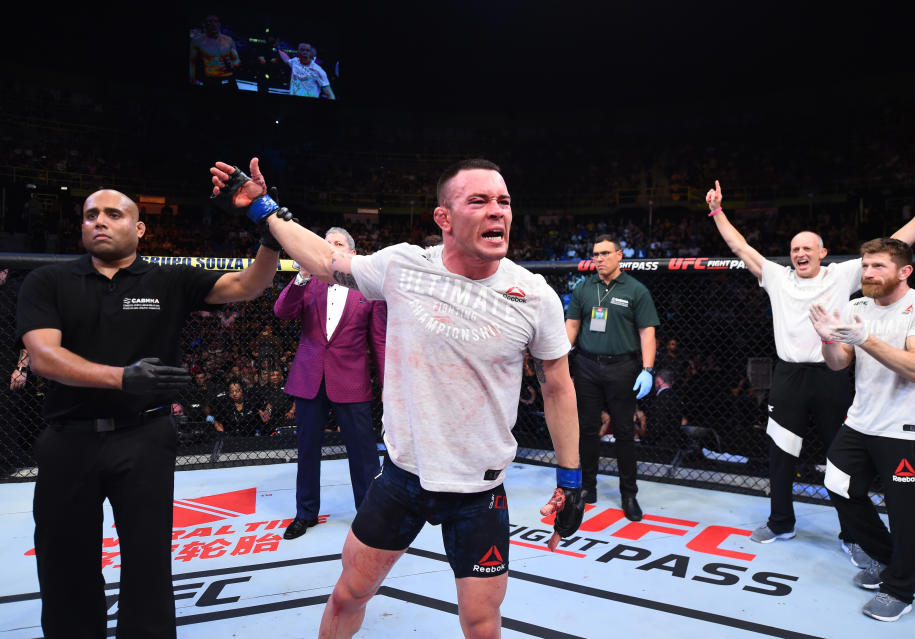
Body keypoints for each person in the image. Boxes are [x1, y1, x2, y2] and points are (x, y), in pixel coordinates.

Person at [209, 157, 583, 639]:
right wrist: (262, 206)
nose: (497, 212)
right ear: (443, 218)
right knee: (348, 595)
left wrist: (571, 479)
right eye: (479, 201)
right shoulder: (404, 265)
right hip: (403, 479)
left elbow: (558, 385)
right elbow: (324, 259)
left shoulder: (534, 295)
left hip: (479, 491)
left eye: (504, 202)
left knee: (482, 622)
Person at [15, 173, 281, 638]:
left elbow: (248, 285)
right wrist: (123, 377)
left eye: (113, 214)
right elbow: (43, 357)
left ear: (139, 229)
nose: (99, 222)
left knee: (148, 560)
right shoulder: (48, 280)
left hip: (144, 437)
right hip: (68, 439)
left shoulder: (169, 277)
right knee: (64, 563)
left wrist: (267, 227)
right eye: (90, 215)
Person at [705, 174, 915, 559]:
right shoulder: (776, 277)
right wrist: (717, 210)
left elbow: (897, 245)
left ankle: (852, 535)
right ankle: (780, 522)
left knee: (842, 460)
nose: (799, 253)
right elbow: (741, 247)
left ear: (823, 253)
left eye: (807, 247)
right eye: (794, 248)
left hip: (833, 371)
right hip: (788, 374)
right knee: (780, 452)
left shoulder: (844, 274)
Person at [810, 237, 915, 622]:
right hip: (860, 421)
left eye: (878, 267)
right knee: (839, 485)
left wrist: (865, 338)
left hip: (904, 429)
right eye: (866, 266)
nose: (868, 274)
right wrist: (827, 338)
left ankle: (900, 589)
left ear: (904, 271)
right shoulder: (858, 306)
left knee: (906, 515)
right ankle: (886, 557)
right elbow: (839, 363)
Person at [273, 227, 387, 540]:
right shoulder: (309, 283)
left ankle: (368, 515)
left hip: (351, 379)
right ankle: (305, 514)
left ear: (351, 252)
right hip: (309, 378)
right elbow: (281, 312)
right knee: (307, 449)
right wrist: (301, 277)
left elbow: (378, 341)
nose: (330, 249)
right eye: (325, 245)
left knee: (363, 452)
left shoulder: (369, 288)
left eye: (337, 244)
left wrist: (389, 384)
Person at [564, 233, 659, 521]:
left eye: (605, 253)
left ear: (619, 256)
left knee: (624, 432)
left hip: (623, 367)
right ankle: (587, 488)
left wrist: (648, 369)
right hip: (587, 365)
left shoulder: (635, 290)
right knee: (587, 429)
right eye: (595, 254)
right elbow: (572, 326)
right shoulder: (584, 288)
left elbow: (647, 332)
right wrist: (558, 355)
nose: (599, 259)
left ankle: (628, 494)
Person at [189, 15, 240, 89]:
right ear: (204, 24)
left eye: (216, 21)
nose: (213, 24)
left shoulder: (228, 40)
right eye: (210, 21)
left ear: (219, 24)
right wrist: (192, 81)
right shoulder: (197, 41)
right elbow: (191, 64)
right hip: (210, 81)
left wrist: (232, 64)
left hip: (229, 80)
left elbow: (237, 60)